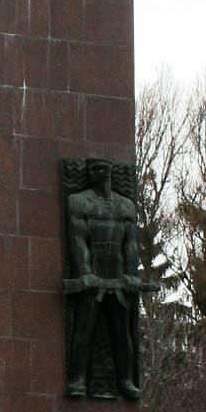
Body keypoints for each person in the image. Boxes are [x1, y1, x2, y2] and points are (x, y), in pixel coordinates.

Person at [64, 158, 142, 399]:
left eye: (102, 168)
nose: (98, 172)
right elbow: (78, 239)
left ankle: (126, 381)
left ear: (110, 171)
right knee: (83, 333)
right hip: (93, 278)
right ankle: (77, 380)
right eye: (94, 169)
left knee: (122, 334)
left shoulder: (126, 205)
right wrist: (85, 272)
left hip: (118, 277)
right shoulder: (78, 201)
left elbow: (130, 243)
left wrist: (131, 274)